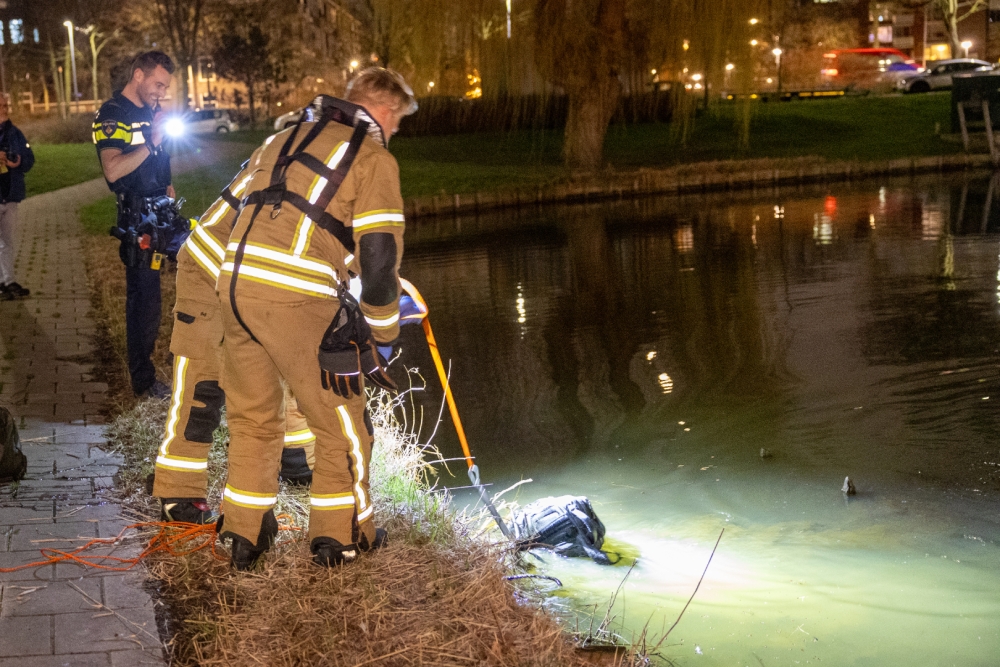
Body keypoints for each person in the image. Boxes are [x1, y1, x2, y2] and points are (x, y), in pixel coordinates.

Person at [216, 67, 416, 570]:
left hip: (234, 286)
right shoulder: (372, 156)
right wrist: (384, 332)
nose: (395, 134)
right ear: (384, 112)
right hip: (293, 295)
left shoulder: (283, 138)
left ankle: (244, 534)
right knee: (343, 422)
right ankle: (340, 536)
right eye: (398, 123)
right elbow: (378, 257)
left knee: (254, 418)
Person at [152, 161, 319, 523]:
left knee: (284, 362)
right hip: (210, 272)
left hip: (253, 276)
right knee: (203, 387)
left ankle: (295, 458)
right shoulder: (305, 167)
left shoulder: (314, 159)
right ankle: (178, 491)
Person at [92, 51, 176, 399]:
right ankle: (143, 380)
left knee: (204, 266)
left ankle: (198, 358)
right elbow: (113, 170)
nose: (161, 91)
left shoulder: (152, 113)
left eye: (166, 86)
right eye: (158, 84)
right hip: (138, 219)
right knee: (145, 301)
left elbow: (161, 158)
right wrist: (152, 142)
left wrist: (170, 186)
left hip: (164, 210)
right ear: (138, 76)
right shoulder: (113, 115)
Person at [0, 96, 35, 301]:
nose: (4, 109)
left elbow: (30, 160)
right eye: (1, 106)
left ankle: (8, 281)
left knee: (7, 242)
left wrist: (19, 163)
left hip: (10, 195)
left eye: (6, 105)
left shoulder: (15, 134)